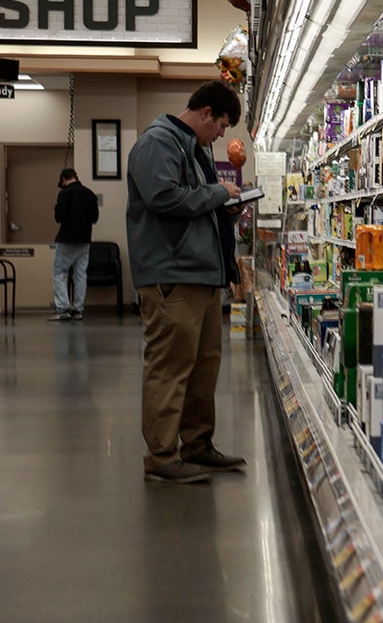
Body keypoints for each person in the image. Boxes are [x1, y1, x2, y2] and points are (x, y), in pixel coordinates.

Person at [126, 80, 249, 484]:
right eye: (221, 126)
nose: (221, 135)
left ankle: (197, 444)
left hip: (200, 274)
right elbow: (163, 197)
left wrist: (223, 207)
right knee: (170, 366)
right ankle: (161, 454)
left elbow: (193, 201)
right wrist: (216, 194)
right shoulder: (159, 142)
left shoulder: (194, 150)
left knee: (202, 367)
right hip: (172, 275)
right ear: (205, 113)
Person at [48, 168, 100, 322]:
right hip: (85, 239)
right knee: (80, 275)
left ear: (64, 179)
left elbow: (60, 217)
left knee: (59, 273)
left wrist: (57, 208)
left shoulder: (65, 193)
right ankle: (78, 310)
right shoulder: (90, 194)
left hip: (67, 239)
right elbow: (94, 217)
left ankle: (63, 308)